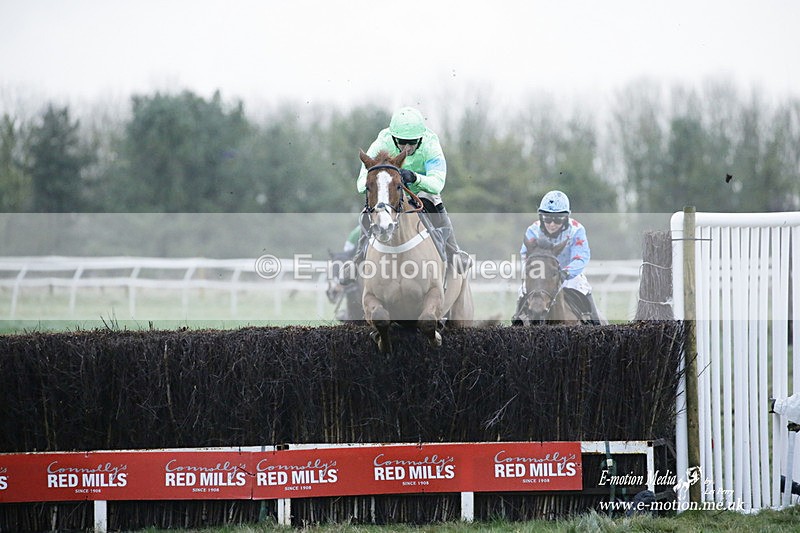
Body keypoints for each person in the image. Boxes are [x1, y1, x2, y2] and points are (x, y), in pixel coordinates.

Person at [342, 106, 471, 280]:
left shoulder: (431, 144)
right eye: (402, 141)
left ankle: (454, 253)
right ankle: (358, 259)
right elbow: (360, 184)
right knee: (369, 210)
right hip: (390, 193)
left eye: (412, 142)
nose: (407, 147)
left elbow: (437, 183)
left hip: (421, 191)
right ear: (394, 137)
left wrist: (415, 178)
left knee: (436, 203)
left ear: (421, 138)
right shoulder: (381, 142)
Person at [514, 190, 601, 323]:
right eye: (547, 219)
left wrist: (565, 273)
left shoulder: (577, 230)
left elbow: (581, 258)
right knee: (522, 295)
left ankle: (597, 326)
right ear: (541, 217)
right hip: (540, 276)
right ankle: (516, 326)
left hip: (569, 276)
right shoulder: (532, 231)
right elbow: (526, 257)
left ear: (566, 218)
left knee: (584, 291)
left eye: (558, 219)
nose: (552, 224)